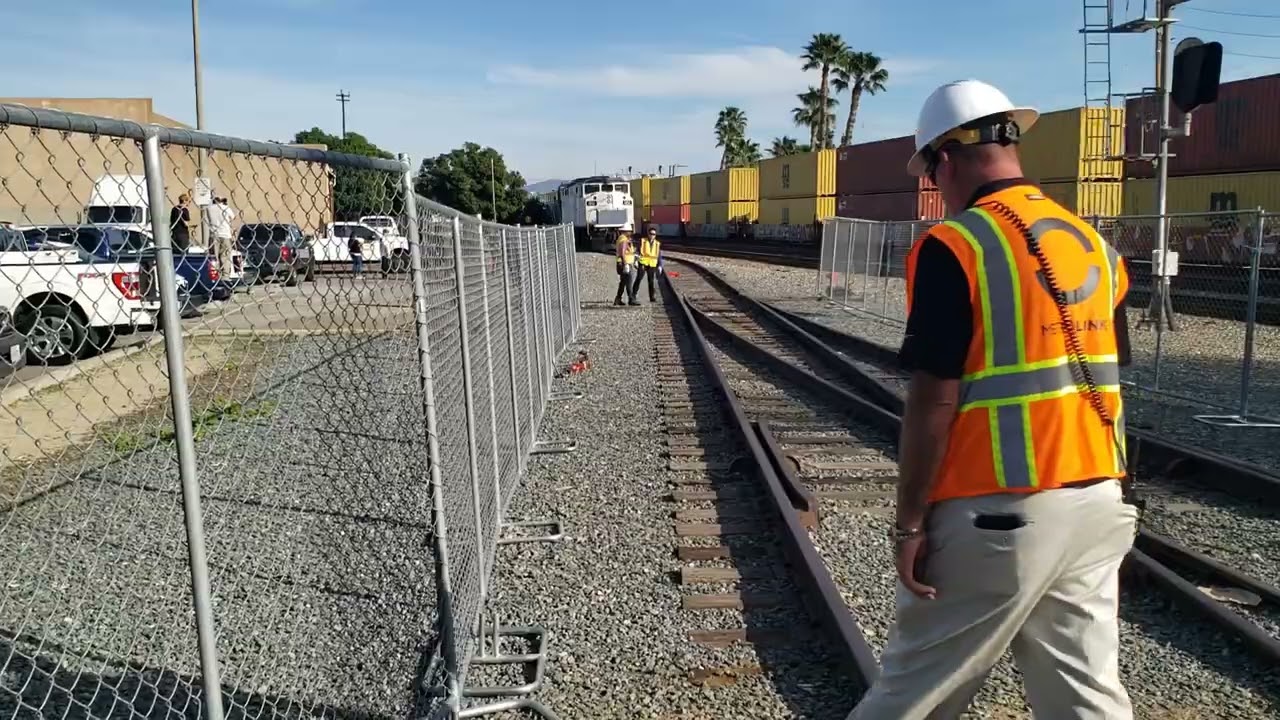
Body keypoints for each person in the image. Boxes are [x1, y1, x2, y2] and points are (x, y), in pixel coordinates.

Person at [846, 79, 1138, 720]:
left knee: (912, 696)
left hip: (999, 512)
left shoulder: (958, 245)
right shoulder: (1096, 245)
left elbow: (933, 402)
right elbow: (1109, 376)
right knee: (1085, 696)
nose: (934, 188)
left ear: (945, 159)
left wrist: (910, 524)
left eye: (928, 172)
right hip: (1097, 501)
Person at [210, 197, 237, 285]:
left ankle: (215, 274)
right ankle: (225, 276)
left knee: (214, 256)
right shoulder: (226, 208)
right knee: (225, 256)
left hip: (214, 234)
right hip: (225, 234)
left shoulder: (209, 208)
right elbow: (233, 217)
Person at [631, 226, 662, 303]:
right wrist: (635, 261)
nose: (652, 235)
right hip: (643, 262)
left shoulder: (657, 244)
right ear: (648, 234)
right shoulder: (642, 241)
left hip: (652, 264)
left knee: (651, 281)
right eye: (651, 234)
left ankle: (652, 297)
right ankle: (633, 295)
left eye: (654, 234)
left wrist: (660, 265)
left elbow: (659, 255)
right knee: (638, 279)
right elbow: (637, 252)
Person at [613, 231, 638, 306]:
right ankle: (631, 299)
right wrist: (626, 264)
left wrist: (635, 259)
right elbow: (622, 253)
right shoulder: (624, 240)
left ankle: (618, 299)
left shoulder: (622, 239)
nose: (631, 233)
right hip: (625, 264)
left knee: (623, 282)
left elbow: (628, 253)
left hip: (623, 263)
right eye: (630, 231)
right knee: (629, 282)